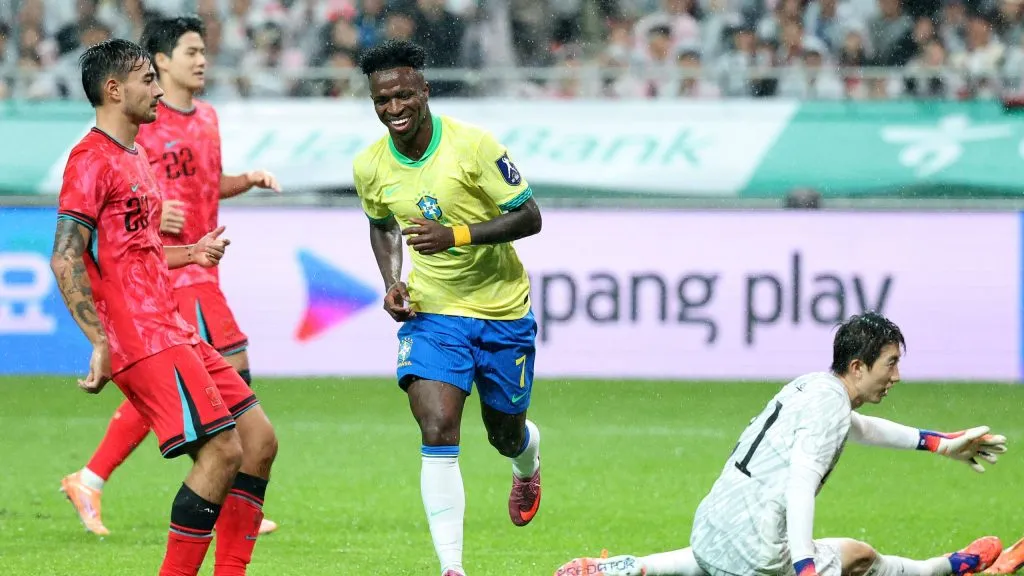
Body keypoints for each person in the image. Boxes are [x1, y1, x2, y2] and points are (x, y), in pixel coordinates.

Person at [50, 38, 277, 575]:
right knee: (222, 453)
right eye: (147, 79)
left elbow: (139, 252)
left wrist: (191, 252)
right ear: (113, 89)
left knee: (260, 440)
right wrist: (101, 341)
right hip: (140, 335)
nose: (157, 89)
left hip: (170, 322)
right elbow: (65, 258)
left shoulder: (136, 155)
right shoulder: (89, 159)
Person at [554, 312, 1012, 576]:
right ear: (857, 366)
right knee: (860, 557)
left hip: (711, 525)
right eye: (889, 364)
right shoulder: (828, 406)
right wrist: (806, 567)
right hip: (756, 552)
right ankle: (950, 567)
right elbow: (800, 483)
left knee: (720, 555)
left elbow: (859, 428)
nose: (896, 376)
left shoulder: (815, 387)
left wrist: (938, 444)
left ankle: (629, 569)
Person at [353, 39, 544, 576]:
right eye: (381, 101)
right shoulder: (370, 165)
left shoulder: (474, 146)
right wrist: (392, 280)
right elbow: (381, 223)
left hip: (502, 310)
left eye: (402, 96)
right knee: (437, 426)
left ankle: (527, 460)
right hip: (433, 313)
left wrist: (456, 233)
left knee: (505, 431)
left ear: (424, 90)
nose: (393, 109)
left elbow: (530, 216)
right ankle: (452, 567)